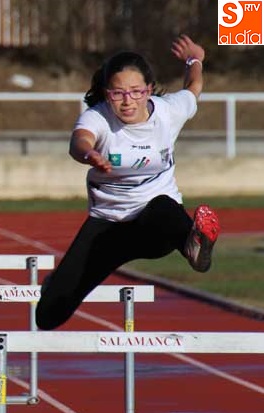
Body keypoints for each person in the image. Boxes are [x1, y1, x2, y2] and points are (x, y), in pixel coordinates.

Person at [36, 35, 220, 331]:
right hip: (107, 227)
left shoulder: (168, 111)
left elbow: (193, 87)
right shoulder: (98, 118)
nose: (127, 101)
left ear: (148, 90)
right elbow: (78, 140)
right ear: (107, 93)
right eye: (118, 93)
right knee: (47, 317)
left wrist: (194, 58)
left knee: (165, 205)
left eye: (135, 92)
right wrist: (90, 154)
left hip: (154, 226)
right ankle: (55, 286)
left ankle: (193, 247)